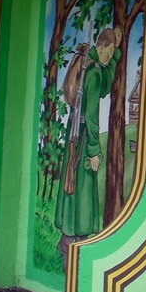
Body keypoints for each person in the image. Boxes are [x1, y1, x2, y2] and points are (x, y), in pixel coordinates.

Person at [56, 26, 122, 267]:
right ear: (101, 46)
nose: (109, 56)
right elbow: (92, 115)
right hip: (84, 138)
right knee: (81, 188)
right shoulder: (92, 73)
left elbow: (104, 87)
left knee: (72, 185)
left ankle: (66, 240)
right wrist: (94, 150)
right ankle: (75, 246)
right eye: (109, 51)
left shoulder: (90, 66)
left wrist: (115, 56)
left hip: (75, 135)